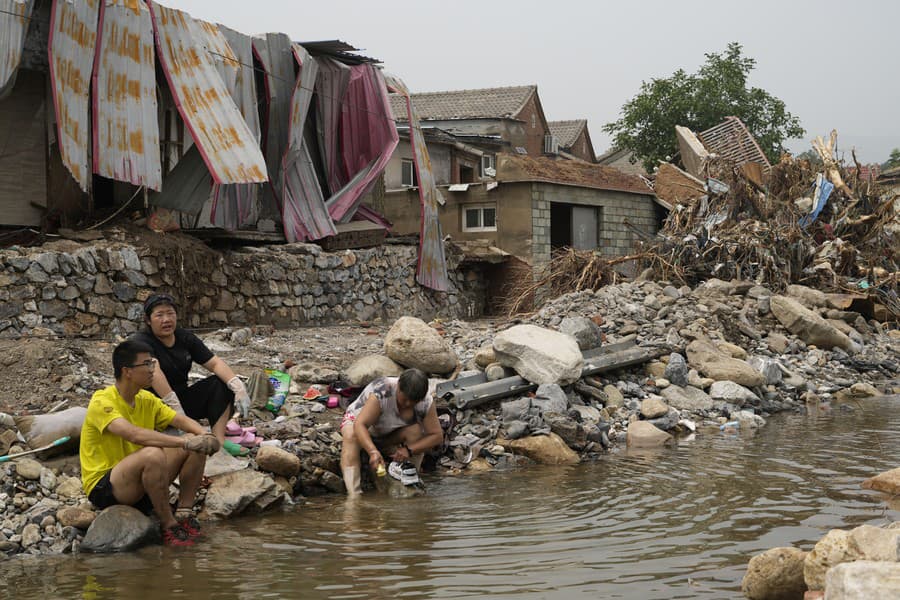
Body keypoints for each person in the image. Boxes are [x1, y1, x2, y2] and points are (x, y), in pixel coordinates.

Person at [80, 340, 220, 546]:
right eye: (147, 364)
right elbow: (134, 434)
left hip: (142, 480)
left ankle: (183, 514)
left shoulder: (146, 398)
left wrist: (205, 435)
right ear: (127, 371)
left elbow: (179, 420)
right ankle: (168, 525)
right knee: (155, 453)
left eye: (152, 363)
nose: (152, 369)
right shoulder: (102, 401)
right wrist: (182, 443)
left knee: (196, 443)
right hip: (107, 488)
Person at [130, 293, 251, 451]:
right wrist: (174, 408)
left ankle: (218, 442)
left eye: (170, 313)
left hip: (182, 400)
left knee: (220, 383)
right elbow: (154, 371)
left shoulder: (185, 338)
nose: (166, 320)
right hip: (153, 405)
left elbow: (214, 363)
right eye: (159, 315)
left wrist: (237, 385)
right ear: (148, 320)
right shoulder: (140, 341)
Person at [339, 368, 443, 496]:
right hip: (361, 427)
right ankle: (353, 494)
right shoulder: (382, 391)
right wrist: (372, 451)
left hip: (389, 434)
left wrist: (409, 450)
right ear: (398, 387)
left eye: (414, 401)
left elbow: (437, 436)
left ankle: (408, 478)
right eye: (405, 399)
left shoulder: (426, 401)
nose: (408, 404)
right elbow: (360, 424)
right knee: (351, 434)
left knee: (415, 431)